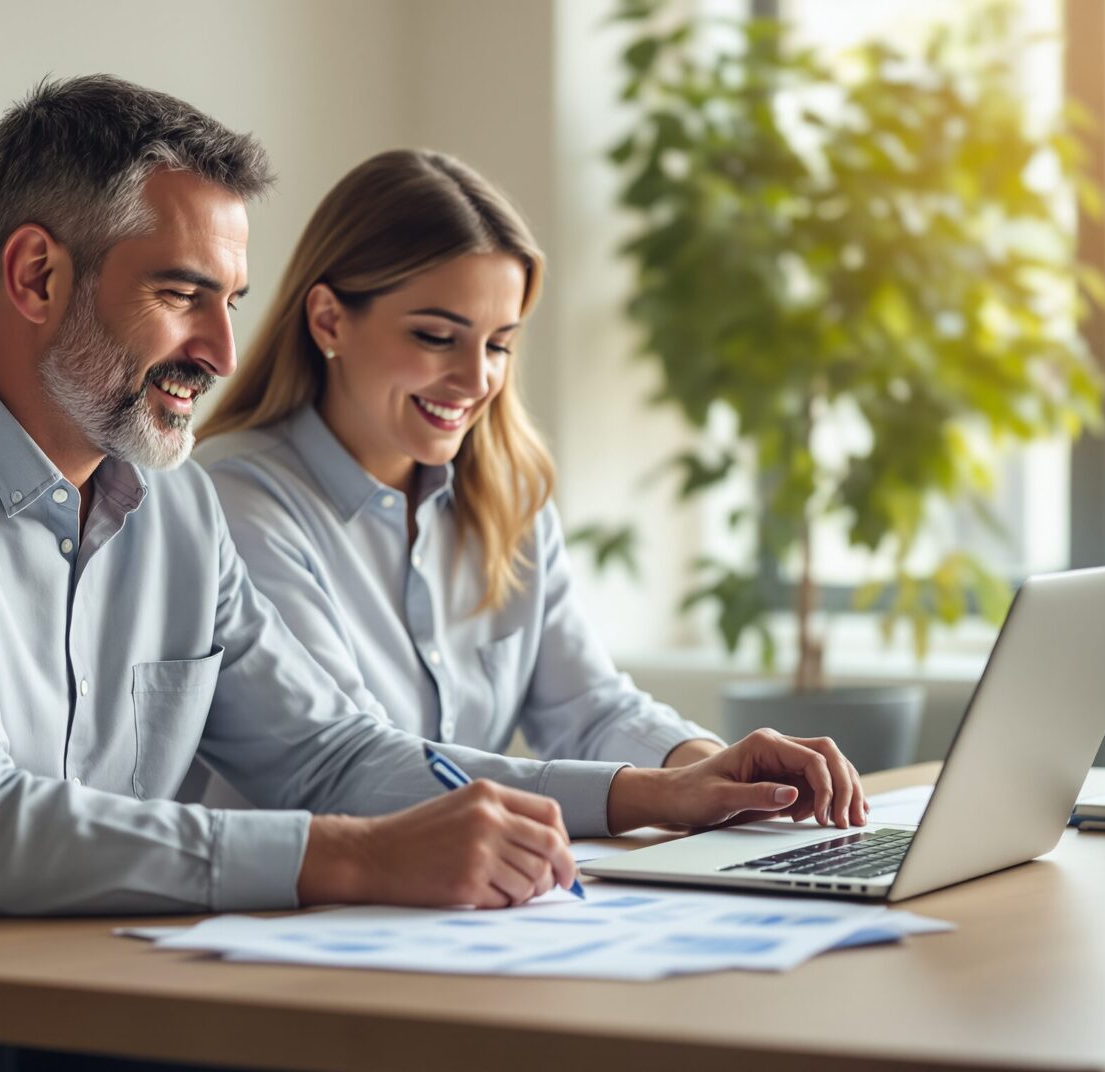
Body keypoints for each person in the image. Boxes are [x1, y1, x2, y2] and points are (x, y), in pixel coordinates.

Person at [0, 77, 868, 938]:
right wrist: (353, 859)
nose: (224, 348)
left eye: (234, 298)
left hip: (77, 1007)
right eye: (185, 294)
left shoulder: (169, 508)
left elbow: (326, 752)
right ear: (36, 275)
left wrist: (653, 790)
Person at [195, 149, 869, 811]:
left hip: (458, 906)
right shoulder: (235, 501)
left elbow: (589, 706)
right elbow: (355, 766)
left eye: (499, 344)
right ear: (329, 320)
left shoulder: (504, 492)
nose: (476, 379)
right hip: (291, 913)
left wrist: (715, 771)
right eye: (436, 337)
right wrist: (656, 795)